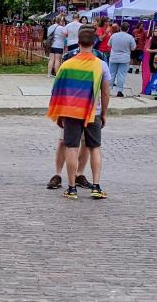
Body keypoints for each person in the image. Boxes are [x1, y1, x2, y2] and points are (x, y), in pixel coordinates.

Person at [47, 26, 111, 199]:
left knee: (71, 148)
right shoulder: (101, 65)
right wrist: (104, 112)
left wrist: (59, 113)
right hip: (93, 112)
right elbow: (105, 92)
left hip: (70, 112)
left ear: (77, 42)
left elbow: (58, 90)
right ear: (94, 42)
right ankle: (96, 186)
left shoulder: (67, 64)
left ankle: (72, 188)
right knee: (94, 147)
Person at [107, 23, 136, 97]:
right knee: (121, 74)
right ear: (128, 29)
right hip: (124, 58)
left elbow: (109, 44)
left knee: (111, 73)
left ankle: (108, 89)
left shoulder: (114, 35)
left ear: (120, 28)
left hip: (114, 57)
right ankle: (119, 90)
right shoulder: (130, 37)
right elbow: (133, 48)